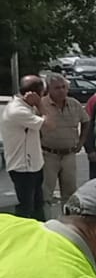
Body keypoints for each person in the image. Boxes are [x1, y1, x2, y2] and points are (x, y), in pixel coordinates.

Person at [0, 76, 56, 220]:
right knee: (26, 209)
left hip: (34, 165)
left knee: (38, 205)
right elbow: (50, 125)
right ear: (35, 94)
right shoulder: (18, 111)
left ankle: (40, 231)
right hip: (23, 167)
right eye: (42, 94)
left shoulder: (25, 107)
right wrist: (40, 105)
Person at [41, 73, 91, 214]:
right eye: (57, 88)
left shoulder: (74, 104)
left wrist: (81, 141)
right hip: (48, 154)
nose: (62, 90)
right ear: (49, 89)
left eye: (64, 87)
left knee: (70, 193)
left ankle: (68, 224)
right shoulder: (42, 104)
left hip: (69, 154)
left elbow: (86, 121)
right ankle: (46, 223)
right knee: (46, 193)